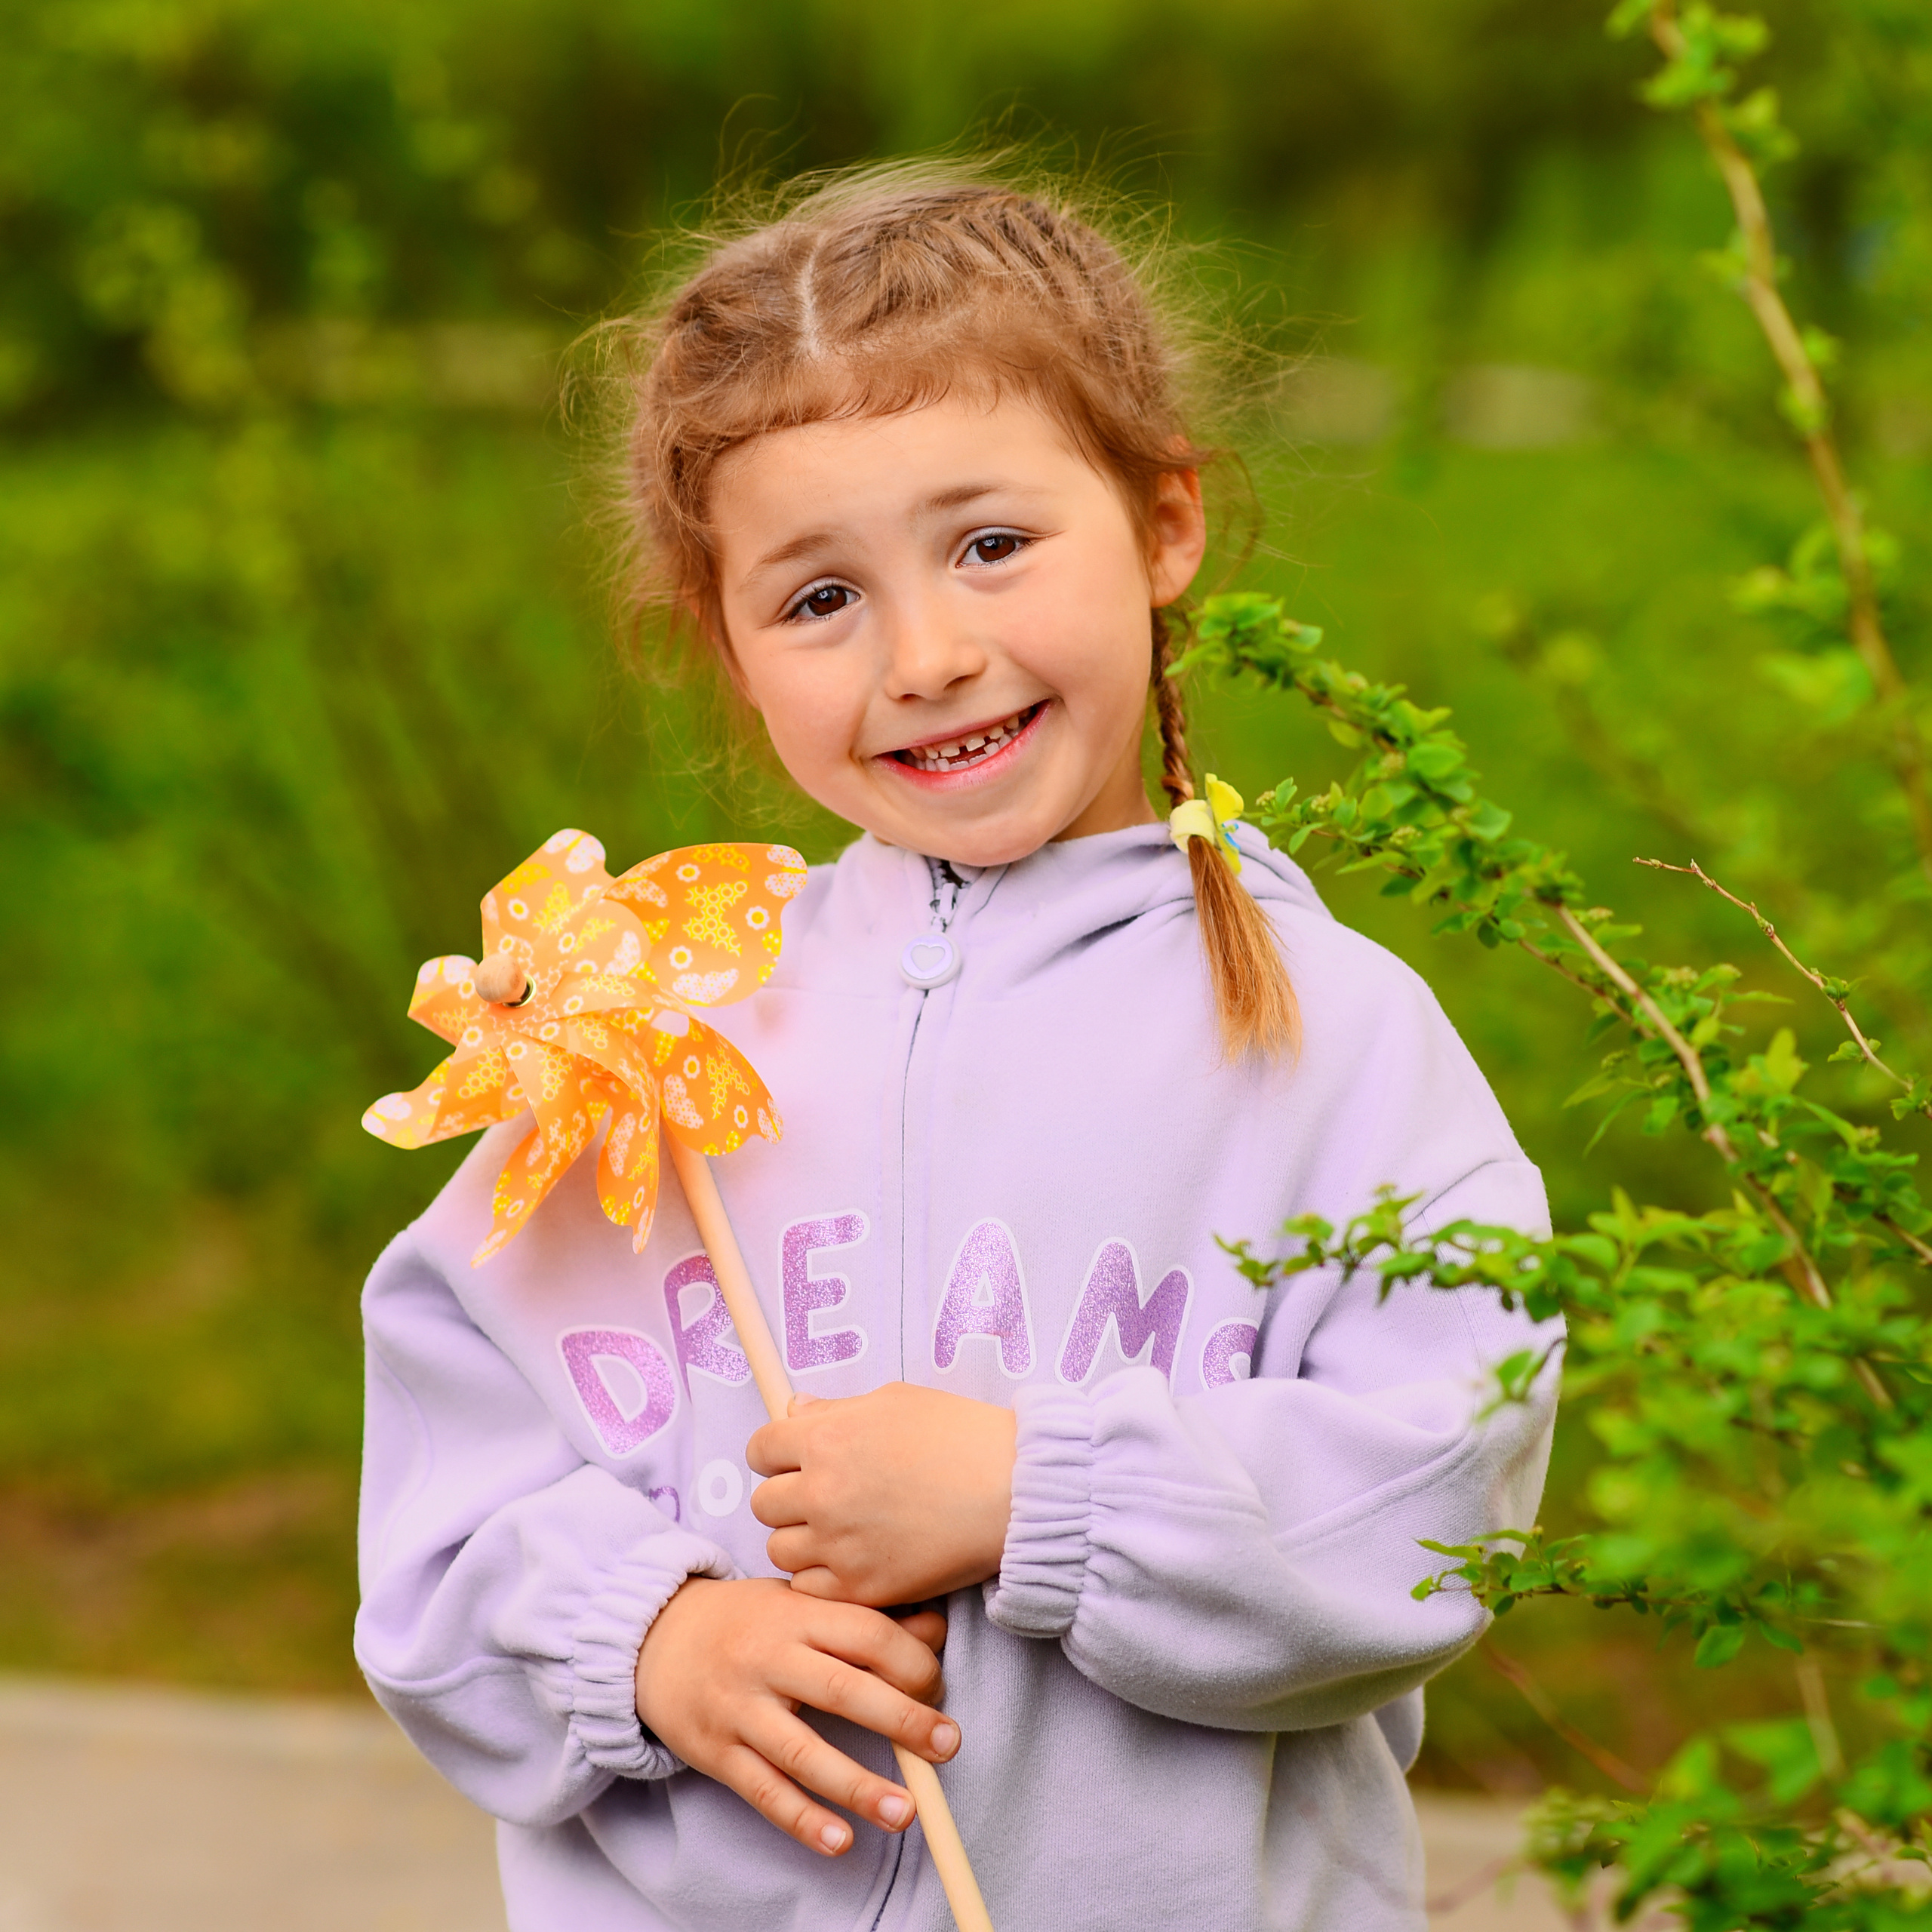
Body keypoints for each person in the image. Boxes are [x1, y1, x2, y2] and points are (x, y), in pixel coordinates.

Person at [354, 167, 1559, 1932]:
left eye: (990, 544)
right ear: (723, 641)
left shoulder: (1335, 1039)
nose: (924, 654)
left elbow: (1436, 1496)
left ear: (1162, 527)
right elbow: (443, 1530)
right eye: (816, 597)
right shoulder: (640, 1043)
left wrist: (1031, 1491)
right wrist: (647, 1633)